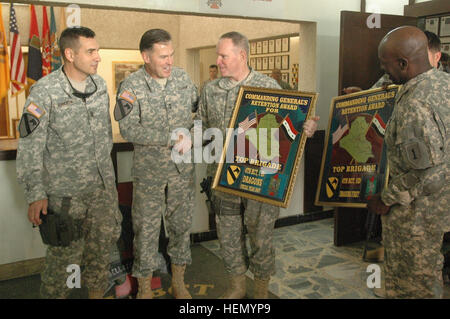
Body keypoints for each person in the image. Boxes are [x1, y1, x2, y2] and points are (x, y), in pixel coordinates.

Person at [198, 31, 319, 299]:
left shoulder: (268, 87)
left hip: (259, 180)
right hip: (224, 178)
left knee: (260, 237)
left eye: (223, 55)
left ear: (242, 55)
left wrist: (307, 127)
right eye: (218, 55)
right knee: (228, 237)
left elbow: (289, 126)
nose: (218, 60)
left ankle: (261, 290)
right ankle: (237, 288)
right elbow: (203, 128)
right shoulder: (210, 90)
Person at [16, 27, 122, 299]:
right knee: (62, 267)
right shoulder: (45, 91)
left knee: (100, 259)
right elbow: (30, 145)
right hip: (66, 197)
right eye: (91, 51)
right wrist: (36, 193)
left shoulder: (99, 87)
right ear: (69, 54)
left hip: (101, 193)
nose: (98, 56)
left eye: (97, 50)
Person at [115, 29, 198, 299]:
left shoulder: (183, 79)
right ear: (146, 57)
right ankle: (143, 288)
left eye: (171, 55)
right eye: (163, 56)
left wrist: (194, 134)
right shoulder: (131, 86)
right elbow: (128, 129)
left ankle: (179, 282)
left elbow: (201, 113)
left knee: (181, 227)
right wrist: (171, 137)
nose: (169, 61)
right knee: (146, 230)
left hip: (181, 172)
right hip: (149, 175)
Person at [367, 26, 449, 299]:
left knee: (411, 285)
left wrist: (386, 198)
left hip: (416, 214)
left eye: (385, 65)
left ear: (403, 64)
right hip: (438, 210)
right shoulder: (441, 83)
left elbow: (426, 171)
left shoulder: (415, 103)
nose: (384, 72)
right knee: (429, 276)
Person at [343, 30, 443, 94]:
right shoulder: (395, 74)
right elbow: (373, 97)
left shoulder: (444, 83)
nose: (415, 59)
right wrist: (361, 94)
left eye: (423, 55)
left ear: (437, 56)